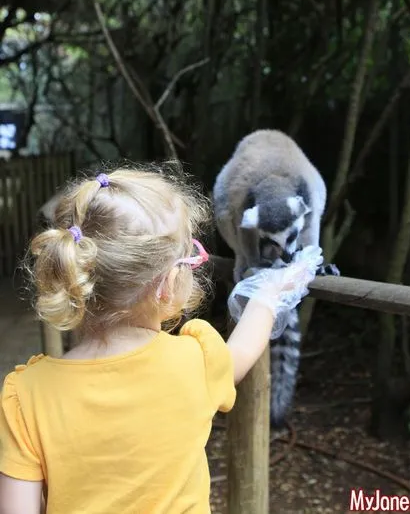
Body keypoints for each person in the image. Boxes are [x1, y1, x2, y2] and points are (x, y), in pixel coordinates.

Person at [0, 165, 319, 514]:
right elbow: (242, 350)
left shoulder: (25, 396)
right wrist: (269, 293)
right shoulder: (194, 362)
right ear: (167, 285)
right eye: (191, 257)